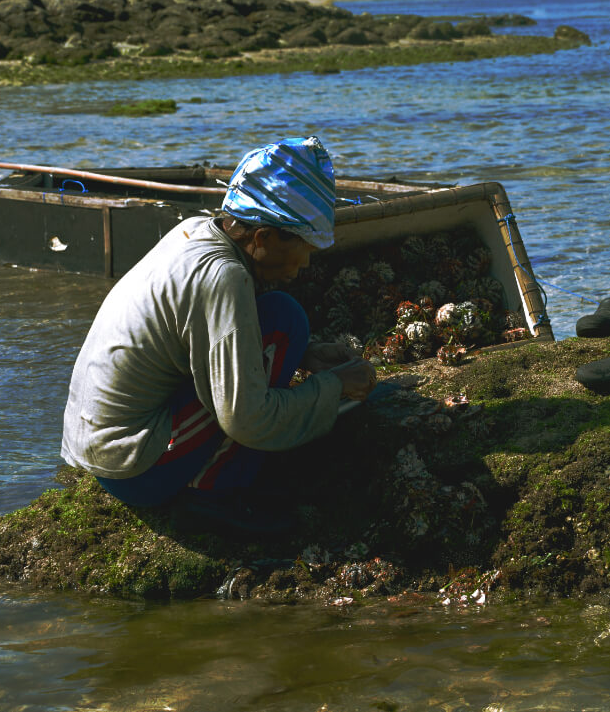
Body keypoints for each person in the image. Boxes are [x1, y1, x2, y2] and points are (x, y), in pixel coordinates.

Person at [60, 136, 376, 508]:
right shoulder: (224, 275)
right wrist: (331, 386)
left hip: (96, 443)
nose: (305, 264)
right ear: (263, 237)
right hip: (134, 467)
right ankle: (219, 489)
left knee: (284, 319)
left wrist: (305, 356)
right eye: (304, 249)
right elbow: (247, 419)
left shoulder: (195, 229)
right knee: (279, 332)